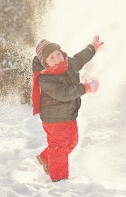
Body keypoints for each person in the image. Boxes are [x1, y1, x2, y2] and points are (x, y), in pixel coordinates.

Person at [32, 35, 104, 182]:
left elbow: (80, 58)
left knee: (72, 142)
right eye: (51, 58)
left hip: (69, 115)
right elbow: (63, 94)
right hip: (54, 119)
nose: (57, 59)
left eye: (58, 54)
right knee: (59, 148)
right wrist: (85, 87)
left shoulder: (68, 63)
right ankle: (59, 181)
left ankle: (46, 157)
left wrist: (92, 48)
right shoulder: (45, 78)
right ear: (44, 63)